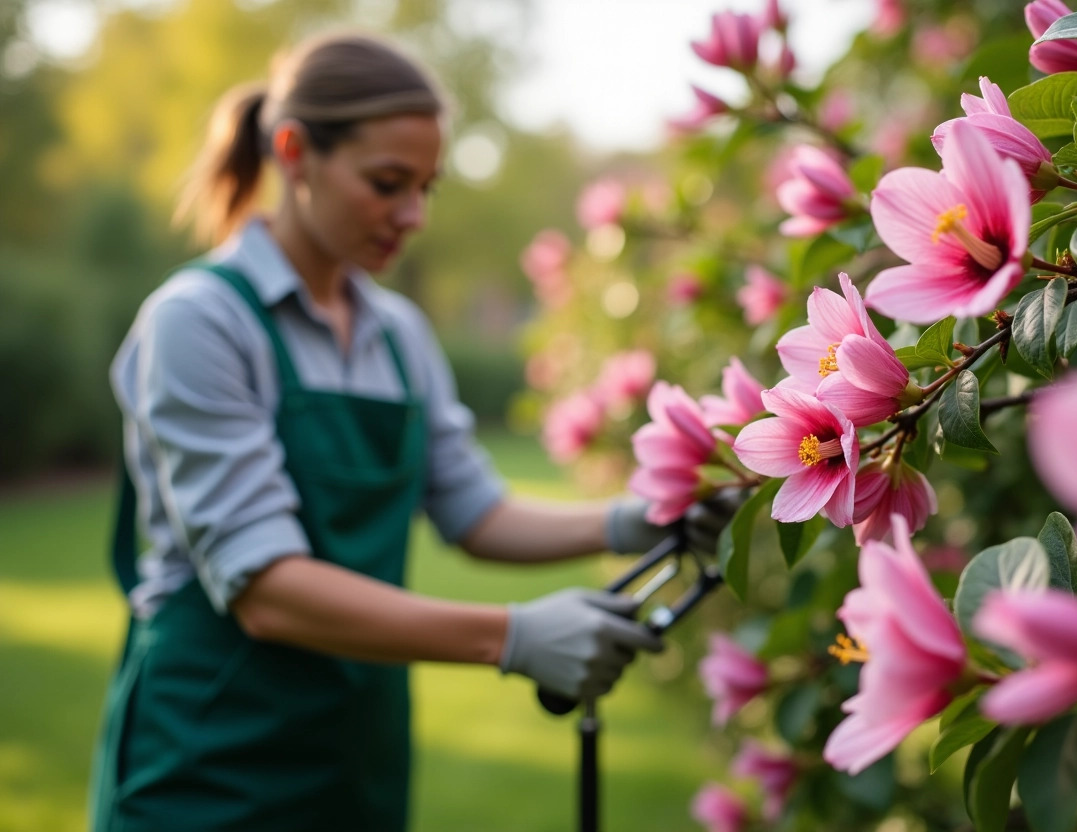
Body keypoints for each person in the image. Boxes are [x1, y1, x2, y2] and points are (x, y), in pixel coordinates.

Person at [88, 30, 736, 832]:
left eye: (426, 186)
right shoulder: (200, 322)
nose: (414, 215)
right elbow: (266, 590)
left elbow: (474, 511)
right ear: (295, 153)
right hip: (205, 758)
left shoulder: (398, 334)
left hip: (355, 756)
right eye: (387, 183)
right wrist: (512, 635)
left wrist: (636, 520)